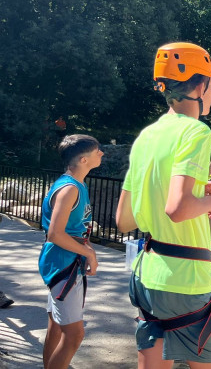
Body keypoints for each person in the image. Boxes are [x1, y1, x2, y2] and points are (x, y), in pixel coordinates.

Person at [115, 42, 211, 368]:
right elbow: (178, 208)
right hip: (185, 282)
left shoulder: (146, 137)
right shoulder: (195, 131)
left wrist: (197, 194)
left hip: (148, 278)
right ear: (200, 85)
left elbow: (124, 219)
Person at [39, 134, 103, 369]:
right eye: (98, 151)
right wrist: (89, 254)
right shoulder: (69, 189)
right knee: (74, 335)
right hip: (62, 263)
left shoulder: (76, 184)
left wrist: (86, 247)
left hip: (63, 259)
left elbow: (73, 228)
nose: (102, 154)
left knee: (56, 325)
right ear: (84, 159)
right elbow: (55, 233)